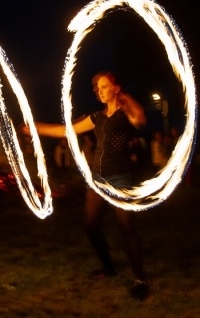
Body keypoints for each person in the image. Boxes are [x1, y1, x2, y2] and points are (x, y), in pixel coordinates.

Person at [26, 72, 150, 300]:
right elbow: (66, 130)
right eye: (97, 87)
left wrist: (125, 96)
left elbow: (141, 118)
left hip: (120, 179)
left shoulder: (124, 114)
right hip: (97, 178)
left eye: (104, 86)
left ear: (115, 88)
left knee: (126, 227)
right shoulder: (97, 117)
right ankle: (109, 268)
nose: (99, 90)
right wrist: (37, 127)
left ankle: (140, 280)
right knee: (90, 225)